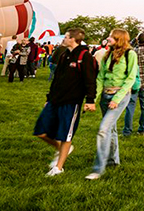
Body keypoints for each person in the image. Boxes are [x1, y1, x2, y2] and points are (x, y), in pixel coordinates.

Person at [33, 29, 97, 176]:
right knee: (40, 132)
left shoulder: (84, 56)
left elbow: (90, 80)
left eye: (67, 37)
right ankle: (60, 149)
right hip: (55, 100)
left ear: (73, 39)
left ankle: (58, 168)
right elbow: (56, 79)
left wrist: (90, 100)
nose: (64, 38)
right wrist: (49, 98)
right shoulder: (63, 55)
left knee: (65, 135)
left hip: (71, 101)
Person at [86, 29, 139, 180]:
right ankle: (113, 161)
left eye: (111, 36)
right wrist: (93, 99)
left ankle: (98, 169)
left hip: (120, 96)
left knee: (103, 129)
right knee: (111, 129)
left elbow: (130, 79)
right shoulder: (107, 54)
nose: (108, 38)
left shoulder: (130, 55)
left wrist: (116, 99)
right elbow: (100, 77)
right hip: (105, 96)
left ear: (119, 39)